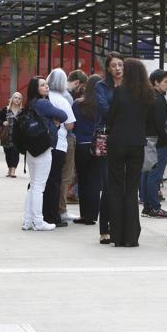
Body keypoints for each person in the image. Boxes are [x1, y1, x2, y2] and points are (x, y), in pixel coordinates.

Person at [105, 58, 154, 247]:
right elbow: (149, 120)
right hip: (137, 144)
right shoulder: (148, 94)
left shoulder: (120, 92)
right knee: (132, 189)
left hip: (117, 142)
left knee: (116, 187)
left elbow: (110, 118)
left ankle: (117, 235)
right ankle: (131, 237)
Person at [21, 76, 68, 232]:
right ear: (36, 88)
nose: (46, 87)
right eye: (42, 85)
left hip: (31, 148)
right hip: (44, 147)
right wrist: (55, 121)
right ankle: (38, 221)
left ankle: (27, 220)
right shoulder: (43, 103)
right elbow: (63, 115)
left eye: (46, 84)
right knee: (39, 187)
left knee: (33, 185)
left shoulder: (30, 104)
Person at [95, 52, 124, 244]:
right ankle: (104, 229)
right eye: (114, 65)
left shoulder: (130, 85)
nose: (118, 69)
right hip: (107, 137)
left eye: (120, 65)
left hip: (125, 138)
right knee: (107, 185)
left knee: (122, 186)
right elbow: (105, 109)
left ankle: (119, 226)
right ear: (108, 68)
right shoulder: (101, 86)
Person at [44, 69, 76, 227]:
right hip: (59, 144)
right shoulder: (63, 100)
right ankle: (53, 214)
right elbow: (70, 124)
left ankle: (41, 212)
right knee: (55, 181)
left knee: (42, 181)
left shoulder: (43, 98)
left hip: (41, 144)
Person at [72, 75, 102, 225]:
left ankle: (84, 214)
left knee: (83, 181)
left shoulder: (78, 104)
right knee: (95, 181)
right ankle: (92, 216)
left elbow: (72, 124)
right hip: (97, 145)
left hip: (81, 145)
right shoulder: (102, 104)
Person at [142, 69, 167, 219]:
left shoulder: (147, 96)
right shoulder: (158, 99)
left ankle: (147, 206)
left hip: (148, 141)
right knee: (155, 176)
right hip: (158, 143)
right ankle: (154, 207)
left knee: (147, 174)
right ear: (155, 82)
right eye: (165, 82)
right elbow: (162, 125)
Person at [60, 69, 88, 212]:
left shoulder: (58, 93)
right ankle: (62, 208)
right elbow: (70, 123)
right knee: (66, 176)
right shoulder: (69, 98)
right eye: (82, 87)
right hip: (66, 139)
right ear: (78, 83)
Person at [0, 92, 24, 177]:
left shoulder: (22, 111)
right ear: (12, 99)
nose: (17, 100)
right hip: (6, 136)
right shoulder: (6, 109)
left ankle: (13, 170)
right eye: (15, 98)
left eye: (19, 98)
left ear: (21, 100)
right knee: (8, 153)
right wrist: (3, 122)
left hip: (18, 136)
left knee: (16, 152)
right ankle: (9, 168)